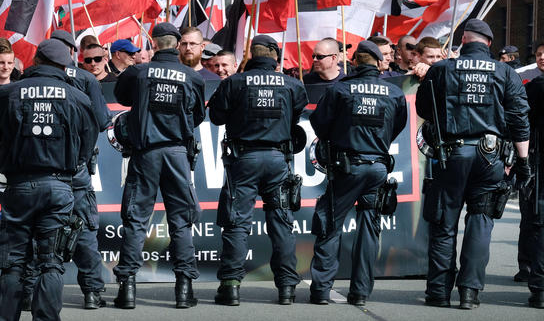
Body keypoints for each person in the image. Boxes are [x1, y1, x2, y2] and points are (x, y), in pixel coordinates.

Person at [416, 19, 530, 309]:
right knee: (481, 221)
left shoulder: (442, 69)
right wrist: (523, 160)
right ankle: (469, 292)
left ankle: (439, 292)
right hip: (490, 157)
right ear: (489, 43)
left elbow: (423, 109)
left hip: (450, 155)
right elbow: (519, 119)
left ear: (463, 40)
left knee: (444, 223)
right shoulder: (505, 72)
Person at [0, 39, 99, 321]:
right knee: (52, 264)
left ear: (36, 60)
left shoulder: (8, 93)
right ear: (64, 66)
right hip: (60, 186)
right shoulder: (77, 97)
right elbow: (88, 144)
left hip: (19, 186)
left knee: (13, 264)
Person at [208, 35, 306, 306]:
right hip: (278, 160)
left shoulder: (234, 83)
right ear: (274, 55)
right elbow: (295, 117)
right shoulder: (293, 84)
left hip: (244, 160)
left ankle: (230, 286)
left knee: (237, 223)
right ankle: (287, 288)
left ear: (252, 55)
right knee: (282, 224)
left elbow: (216, 116)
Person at [112, 23, 205, 309]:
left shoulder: (137, 72)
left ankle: (127, 288)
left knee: (137, 220)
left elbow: (122, 98)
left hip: (146, 153)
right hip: (177, 153)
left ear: (153, 44)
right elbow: (198, 116)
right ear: (177, 45)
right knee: (181, 221)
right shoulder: (192, 76)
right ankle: (184, 288)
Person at [308, 40, 408, 306]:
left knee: (330, 223)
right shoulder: (393, 93)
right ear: (377, 63)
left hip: (346, 167)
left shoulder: (340, 89)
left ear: (354, 62)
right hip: (377, 166)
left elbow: (319, 125)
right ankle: (361, 292)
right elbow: (398, 125)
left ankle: (321, 290)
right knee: (369, 228)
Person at [48, 30, 111, 309]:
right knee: (83, 229)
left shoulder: (27, 81)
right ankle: (92, 293)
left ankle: (32, 292)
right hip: (75, 168)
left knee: (38, 232)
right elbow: (101, 120)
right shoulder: (85, 79)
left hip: (38, 170)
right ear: (71, 52)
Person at [517, 41, 544, 284]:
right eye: (538, 54)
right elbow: (523, 122)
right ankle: (525, 264)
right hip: (535, 158)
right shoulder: (531, 84)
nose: (542, 57)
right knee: (530, 215)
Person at [523, 50, 544, 309]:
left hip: (540, 160)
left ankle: (539, 288)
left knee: (540, 227)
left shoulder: (536, 87)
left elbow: (522, 121)